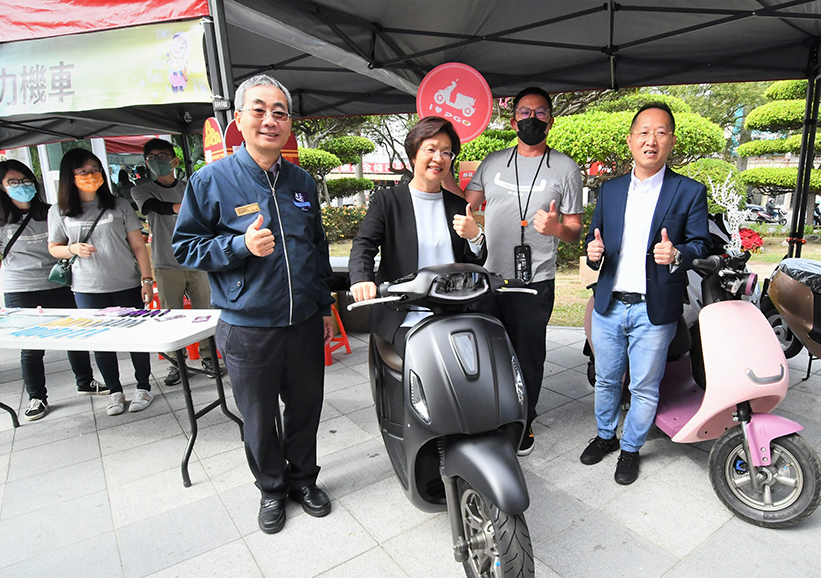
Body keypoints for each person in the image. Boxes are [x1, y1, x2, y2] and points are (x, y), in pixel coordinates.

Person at [172, 74, 335, 534]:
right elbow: (185, 248)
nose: (270, 120)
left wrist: (324, 306)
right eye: (259, 110)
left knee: (305, 410)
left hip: (304, 322)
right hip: (248, 327)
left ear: (289, 124)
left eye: (280, 112)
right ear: (239, 120)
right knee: (259, 420)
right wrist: (239, 246)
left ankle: (304, 480)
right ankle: (271, 489)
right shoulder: (210, 181)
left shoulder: (302, 181)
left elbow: (317, 248)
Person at [445, 86, 583, 456]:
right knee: (487, 353)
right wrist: (443, 170)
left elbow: (574, 230)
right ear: (512, 120)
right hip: (489, 278)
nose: (531, 119)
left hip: (534, 282)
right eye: (524, 112)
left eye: (540, 113)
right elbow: (465, 203)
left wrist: (556, 228)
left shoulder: (566, 168)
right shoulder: (493, 163)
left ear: (550, 121)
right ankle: (492, 416)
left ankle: (523, 421)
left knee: (527, 358)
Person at [581, 102, 711, 485]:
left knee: (643, 386)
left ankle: (631, 448)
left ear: (671, 141)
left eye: (660, 132)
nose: (651, 140)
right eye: (643, 132)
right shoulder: (610, 190)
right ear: (630, 140)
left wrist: (678, 253)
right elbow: (594, 237)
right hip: (609, 304)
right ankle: (606, 436)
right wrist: (592, 250)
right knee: (607, 379)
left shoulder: (689, 192)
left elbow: (702, 245)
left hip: (654, 309)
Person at [348, 116, 486, 355]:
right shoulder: (388, 201)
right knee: (430, 361)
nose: (438, 158)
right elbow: (364, 244)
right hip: (405, 315)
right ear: (413, 155)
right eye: (430, 149)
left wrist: (475, 237)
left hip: (454, 312)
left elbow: (473, 263)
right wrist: (361, 278)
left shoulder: (457, 205)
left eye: (446, 152)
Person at [47, 149, 155, 416]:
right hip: (88, 287)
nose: (91, 175)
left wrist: (146, 280)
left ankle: (143, 386)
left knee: (136, 338)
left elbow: (139, 247)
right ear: (69, 176)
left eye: (95, 169)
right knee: (102, 342)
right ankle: (115, 391)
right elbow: (54, 248)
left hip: (126, 282)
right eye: (83, 171)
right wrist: (72, 249)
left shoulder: (119, 205)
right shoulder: (59, 211)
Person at [0, 160, 108, 421]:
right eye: (13, 182)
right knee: (31, 346)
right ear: (2, 187)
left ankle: (85, 381)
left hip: (58, 283)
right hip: (21, 288)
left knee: (75, 334)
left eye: (26, 181)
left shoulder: (51, 212)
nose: (22, 186)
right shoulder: (2, 220)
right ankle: (37, 396)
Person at [131, 138, 218, 386]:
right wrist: (186, 206)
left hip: (198, 260)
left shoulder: (190, 186)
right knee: (170, 316)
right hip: (166, 262)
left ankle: (209, 357)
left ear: (175, 160)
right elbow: (155, 207)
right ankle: (177, 363)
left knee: (205, 313)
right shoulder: (142, 190)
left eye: (162, 157)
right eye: (152, 158)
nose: (157, 162)